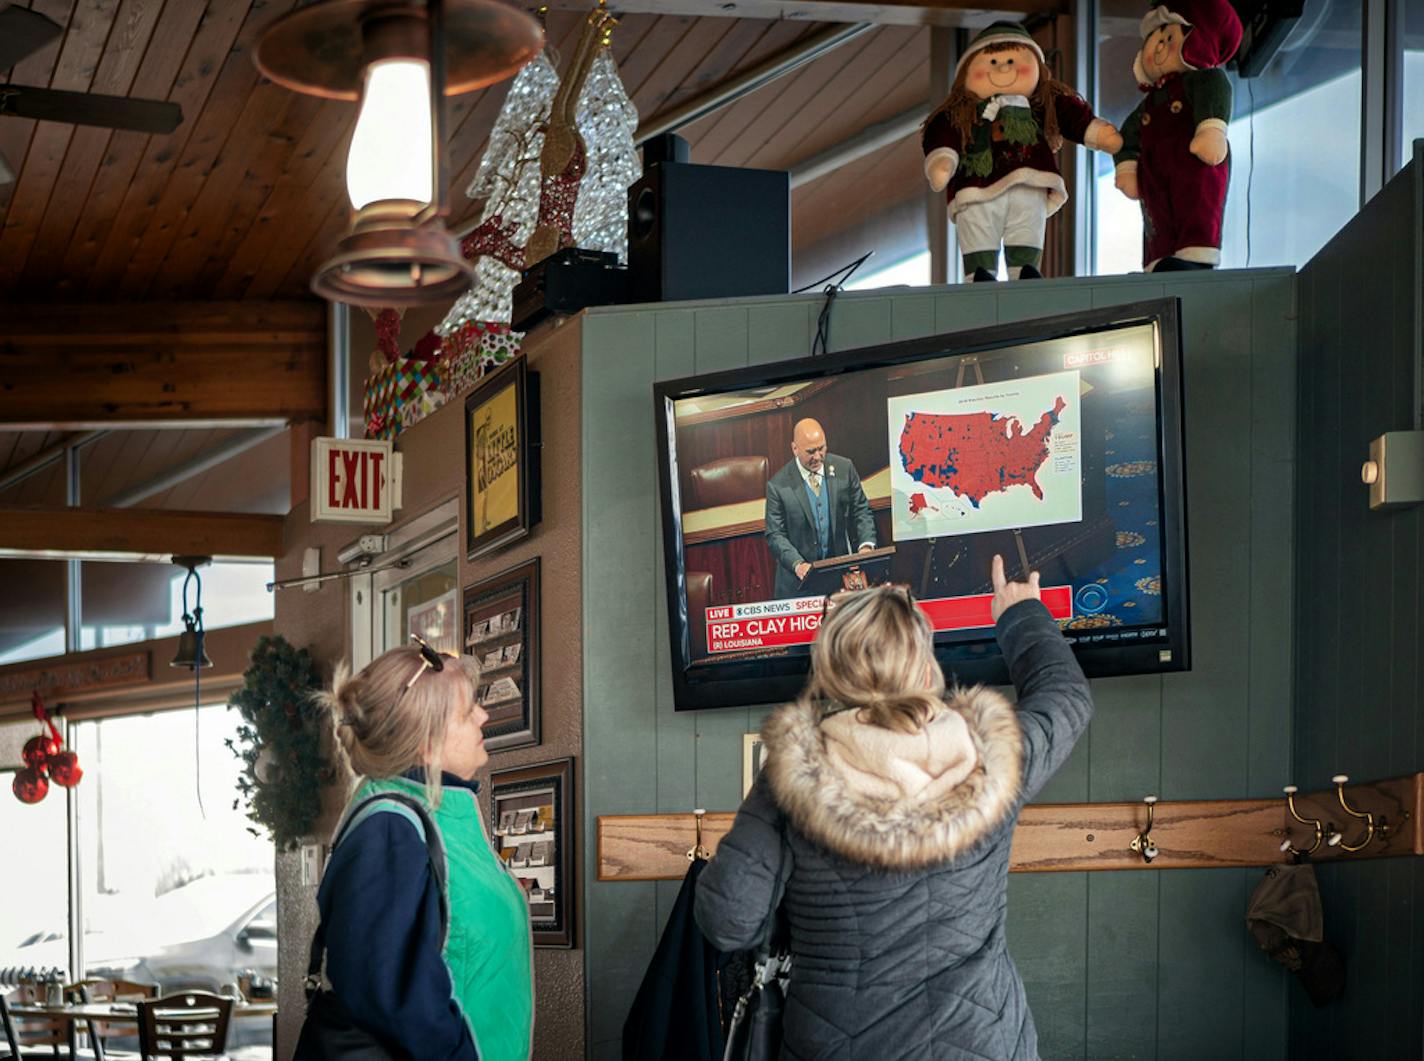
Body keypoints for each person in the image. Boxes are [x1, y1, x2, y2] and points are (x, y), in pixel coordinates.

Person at [694, 556, 1094, 1059]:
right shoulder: (993, 758)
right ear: (927, 669)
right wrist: (1023, 614)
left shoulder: (793, 779)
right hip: (981, 1044)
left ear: (830, 673)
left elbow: (728, 920)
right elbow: (1065, 698)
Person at [312, 636, 533, 1060]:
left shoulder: (440, 816)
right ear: (427, 741)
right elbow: (389, 997)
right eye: (469, 712)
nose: (484, 716)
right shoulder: (389, 831)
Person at [764, 417, 877, 599]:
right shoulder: (778, 486)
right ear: (795, 449)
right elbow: (775, 534)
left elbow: (861, 510)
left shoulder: (844, 468)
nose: (817, 457)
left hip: (838, 581)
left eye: (821, 448)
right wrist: (797, 564)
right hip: (797, 585)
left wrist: (866, 547)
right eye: (810, 451)